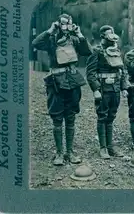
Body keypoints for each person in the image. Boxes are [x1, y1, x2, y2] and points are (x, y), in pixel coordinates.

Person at [32, 13, 92, 165]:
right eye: (63, 24)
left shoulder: (75, 39)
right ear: (58, 24)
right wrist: (50, 30)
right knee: (57, 117)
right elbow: (36, 43)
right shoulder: (51, 39)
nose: (66, 27)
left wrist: (80, 34)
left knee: (70, 116)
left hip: (72, 81)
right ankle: (59, 153)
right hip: (56, 83)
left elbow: (88, 51)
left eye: (69, 24)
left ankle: (70, 152)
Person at [86, 25, 127, 159]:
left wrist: (124, 87)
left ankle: (110, 146)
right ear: (103, 36)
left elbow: (122, 70)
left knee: (111, 117)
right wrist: (95, 90)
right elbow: (90, 73)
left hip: (115, 89)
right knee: (102, 117)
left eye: (113, 33)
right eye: (110, 33)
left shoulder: (117, 50)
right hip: (103, 89)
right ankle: (103, 148)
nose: (113, 36)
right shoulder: (96, 51)